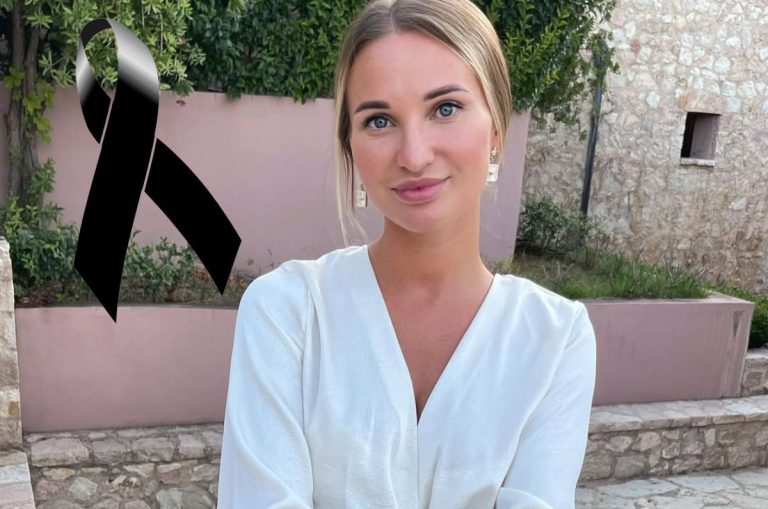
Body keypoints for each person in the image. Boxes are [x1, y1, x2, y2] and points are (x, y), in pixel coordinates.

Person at [217, 0, 597, 507]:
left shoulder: (555, 337)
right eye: (379, 120)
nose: (414, 156)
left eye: (446, 109)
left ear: (496, 130)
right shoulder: (286, 313)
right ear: (351, 146)